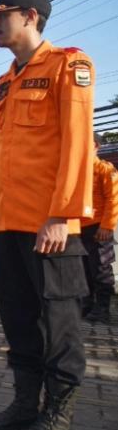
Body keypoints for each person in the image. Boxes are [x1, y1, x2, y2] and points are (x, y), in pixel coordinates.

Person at [0, 0, 95, 430]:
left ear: (29, 16)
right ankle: (25, 405)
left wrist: (62, 214)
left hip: (50, 227)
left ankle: (59, 416)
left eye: (1, 16)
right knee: (18, 320)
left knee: (58, 326)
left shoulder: (68, 65)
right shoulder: (4, 81)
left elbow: (78, 145)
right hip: (8, 226)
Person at [80, 133, 117, 324]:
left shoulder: (105, 169)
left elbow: (113, 198)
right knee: (83, 269)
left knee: (101, 268)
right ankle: (87, 305)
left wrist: (107, 226)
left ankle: (103, 309)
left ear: (95, 145)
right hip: (78, 229)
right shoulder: (76, 171)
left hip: (98, 228)